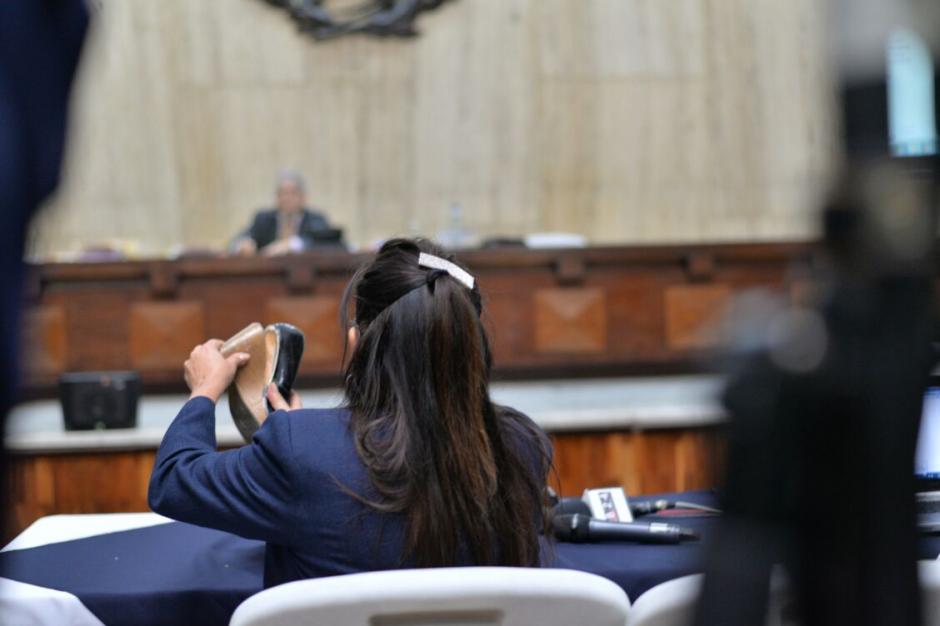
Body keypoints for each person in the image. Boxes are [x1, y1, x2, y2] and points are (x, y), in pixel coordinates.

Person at [148, 238, 553, 587]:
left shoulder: (301, 449)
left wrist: (204, 390)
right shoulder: (523, 446)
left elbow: (174, 481)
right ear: (470, 346)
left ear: (357, 343)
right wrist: (295, 435)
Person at [230, 170, 344, 256]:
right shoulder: (263, 219)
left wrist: (291, 244)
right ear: (277, 197)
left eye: (292, 193)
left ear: (303, 197)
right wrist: (243, 244)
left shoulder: (315, 219)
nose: (287, 198)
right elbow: (238, 240)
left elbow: (330, 244)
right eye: (283, 193)